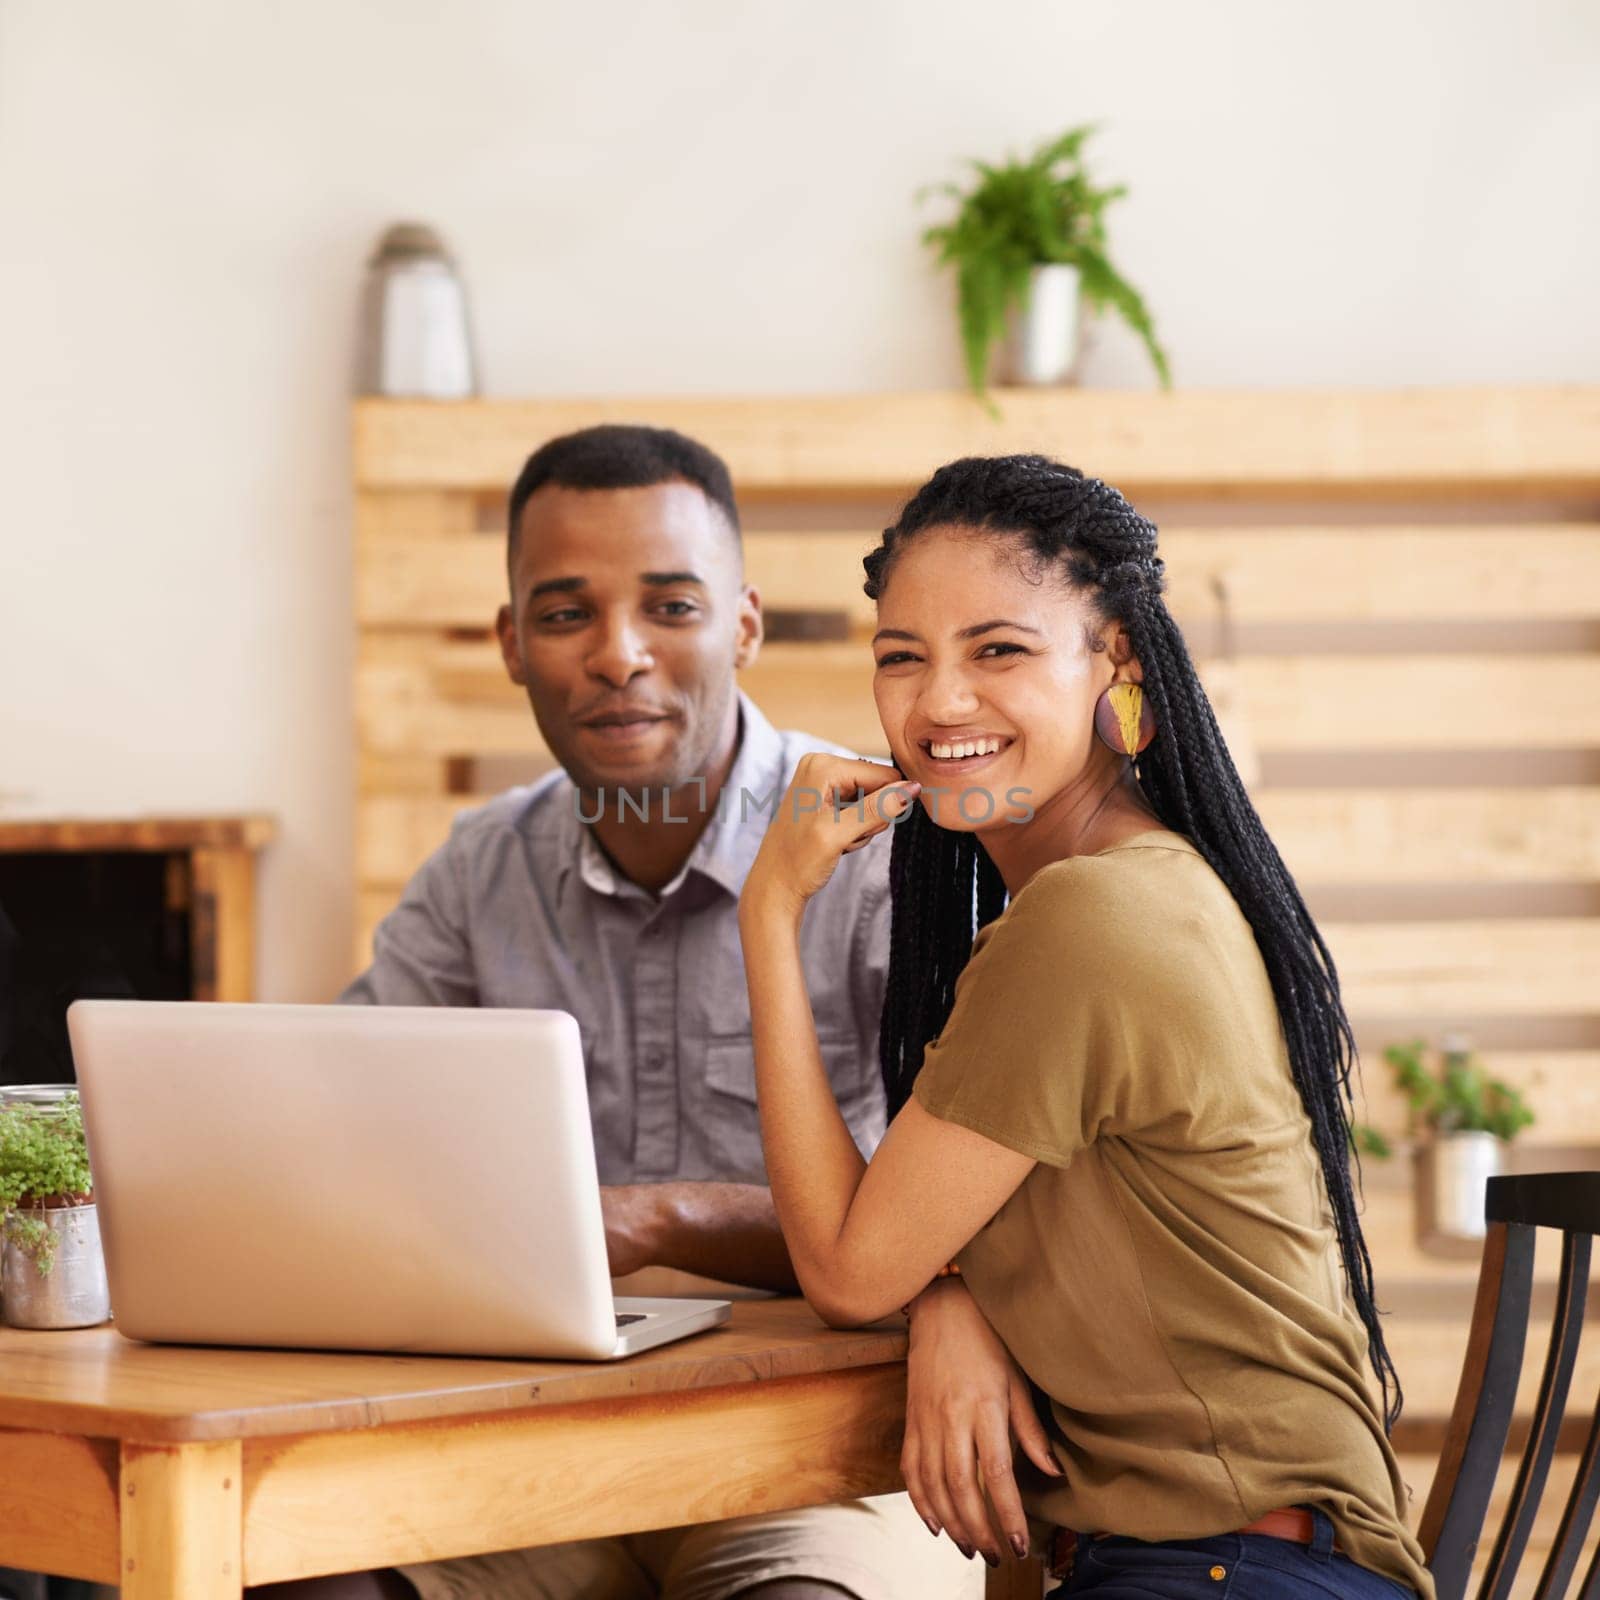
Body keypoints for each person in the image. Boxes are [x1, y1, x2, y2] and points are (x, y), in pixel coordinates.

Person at [251, 426, 987, 1600]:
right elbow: (344, 1139)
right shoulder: (477, 872)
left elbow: (952, 1229)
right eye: (563, 614)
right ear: (509, 644)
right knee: (302, 1579)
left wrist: (660, 1218)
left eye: (670, 606)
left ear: (742, 624)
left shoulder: (882, 852)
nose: (619, 655)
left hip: (823, 1463)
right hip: (542, 1454)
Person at [736, 454, 1433, 1599]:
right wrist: (949, 1291)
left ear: (1116, 661)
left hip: (1237, 1571)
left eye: (997, 649)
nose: (938, 701)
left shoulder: (1089, 915)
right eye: (901, 657)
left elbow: (850, 1272)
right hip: (1219, 1560)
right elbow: (913, 1244)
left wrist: (769, 909)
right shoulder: (1126, 884)